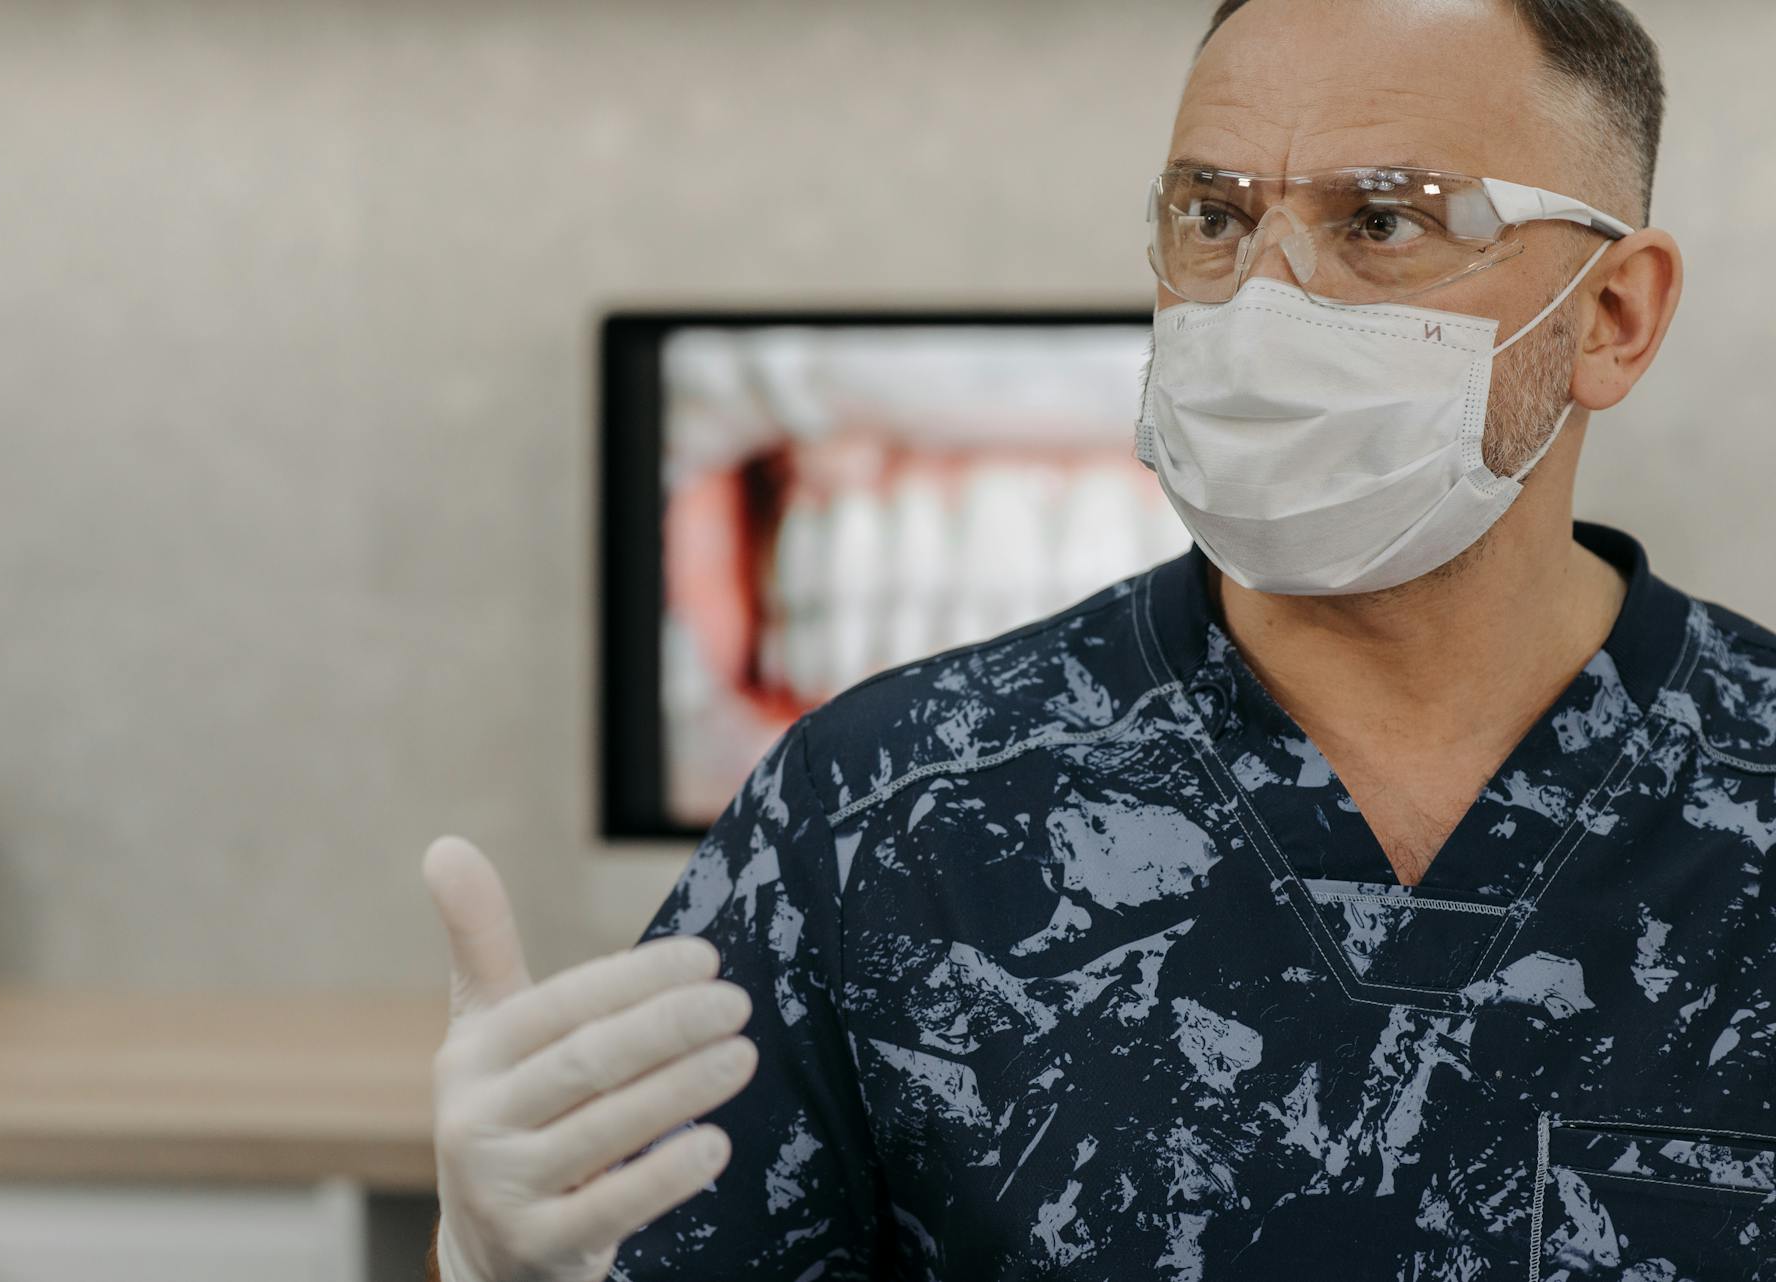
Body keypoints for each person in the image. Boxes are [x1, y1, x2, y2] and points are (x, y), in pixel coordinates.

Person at [422, 0, 1776, 1276]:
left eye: (1382, 219)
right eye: (1213, 215)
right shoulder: (878, 821)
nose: (1261, 301)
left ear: (1614, 316)